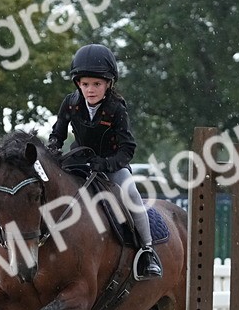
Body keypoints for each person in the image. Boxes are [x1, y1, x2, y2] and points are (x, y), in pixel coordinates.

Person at [46, 43, 162, 279]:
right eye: (85, 84)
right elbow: (58, 134)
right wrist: (53, 149)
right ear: (78, 83)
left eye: (97, 84)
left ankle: (148, 251)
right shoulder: (70, 102)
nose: (90, 90)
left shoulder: (116, 109)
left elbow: (127, 148)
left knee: (132, 195)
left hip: (112, 164)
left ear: (108, 84)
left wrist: (105, 164)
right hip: (78, 160)